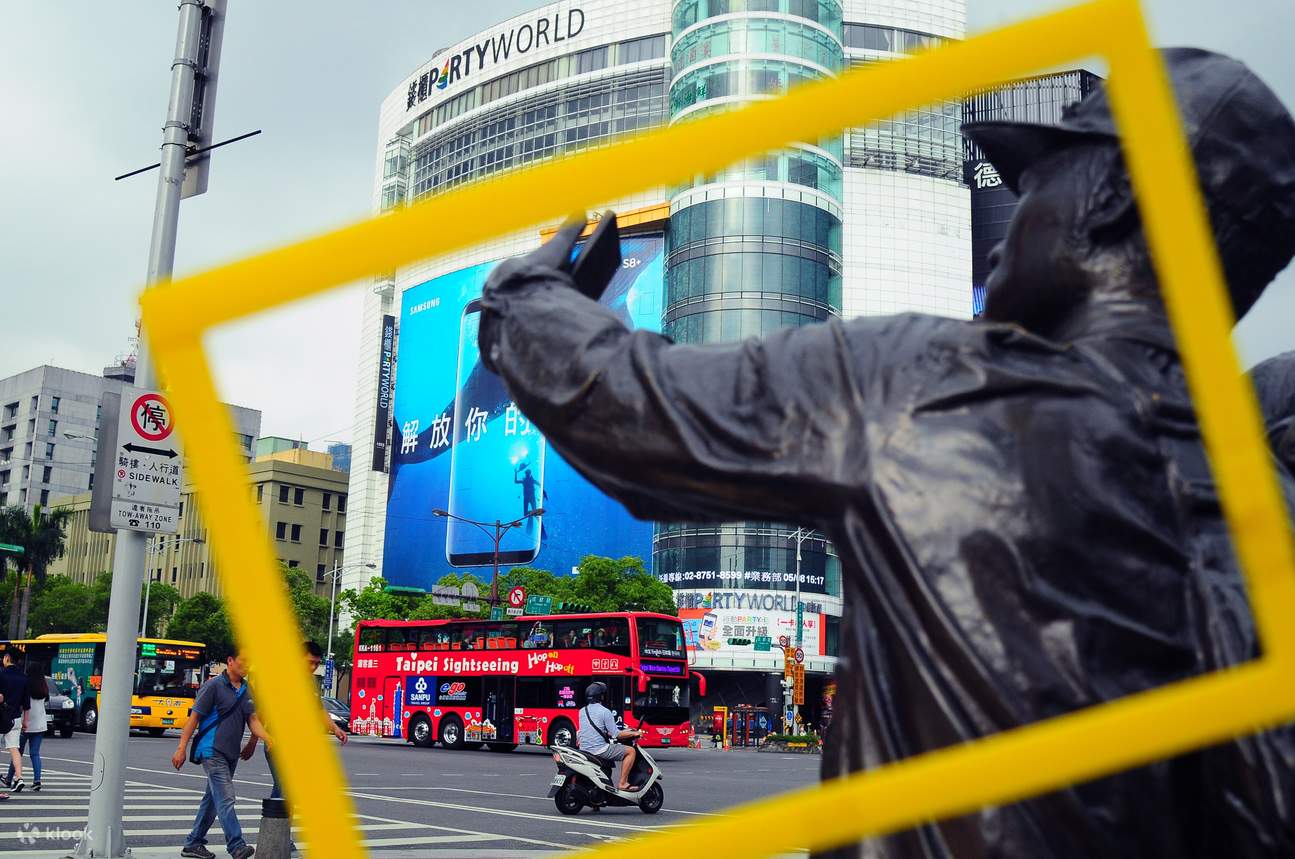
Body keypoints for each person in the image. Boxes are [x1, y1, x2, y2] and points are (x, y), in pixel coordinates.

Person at [477, 49, 1295, 857]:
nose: (1017, 208)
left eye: (1043, 175)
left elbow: (632, 405)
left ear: (1112, 196)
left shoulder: (929, 385)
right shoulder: (1268, 501)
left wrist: (524, 297)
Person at [172, 651, 270, 859]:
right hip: (211, 750)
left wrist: (267, 739)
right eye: (244, 661)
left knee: (212, 799)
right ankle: (236, 845)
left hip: (231, 753)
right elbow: (193, 719)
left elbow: (252, 720)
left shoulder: (246, 689)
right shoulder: (213, 686)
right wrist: (181, 747)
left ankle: (193, 843)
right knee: (226, 797)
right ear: (230, 661)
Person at [254, 640, 348, 802]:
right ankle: (274, 825)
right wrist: (254, 741)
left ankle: (275, 825)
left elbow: (318, 709)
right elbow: (263, 712)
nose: (313, 667)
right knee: (285, 787)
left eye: (317, 664)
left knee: (286, 790)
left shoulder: (311, 682)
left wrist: (335, 728)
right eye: (310, 662)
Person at [577, 681, 642, 792]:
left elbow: (594, 729)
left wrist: (626, 731)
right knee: (631, 751)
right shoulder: (605, 711)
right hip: (599, 750)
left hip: (584, 750)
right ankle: (622, 783)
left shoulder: (582, 711)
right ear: (601, 696)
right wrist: (635, 733)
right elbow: (616, 734)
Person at [5, 662, 47, 792]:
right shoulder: (43, 685)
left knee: (17, 751)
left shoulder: (26, 683)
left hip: (26, 723)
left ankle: (9, 778)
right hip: (40, 725)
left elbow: (24, 704)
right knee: (35, 753)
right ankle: (37, 780)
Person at [0, 650, 29, 796]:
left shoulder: (1, 674)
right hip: (15, 717)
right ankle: (19, 778)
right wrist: (25, 721)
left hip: (1, 716)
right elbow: (26, 703)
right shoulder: (24, 678)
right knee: (14, 748)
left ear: (7, 658)